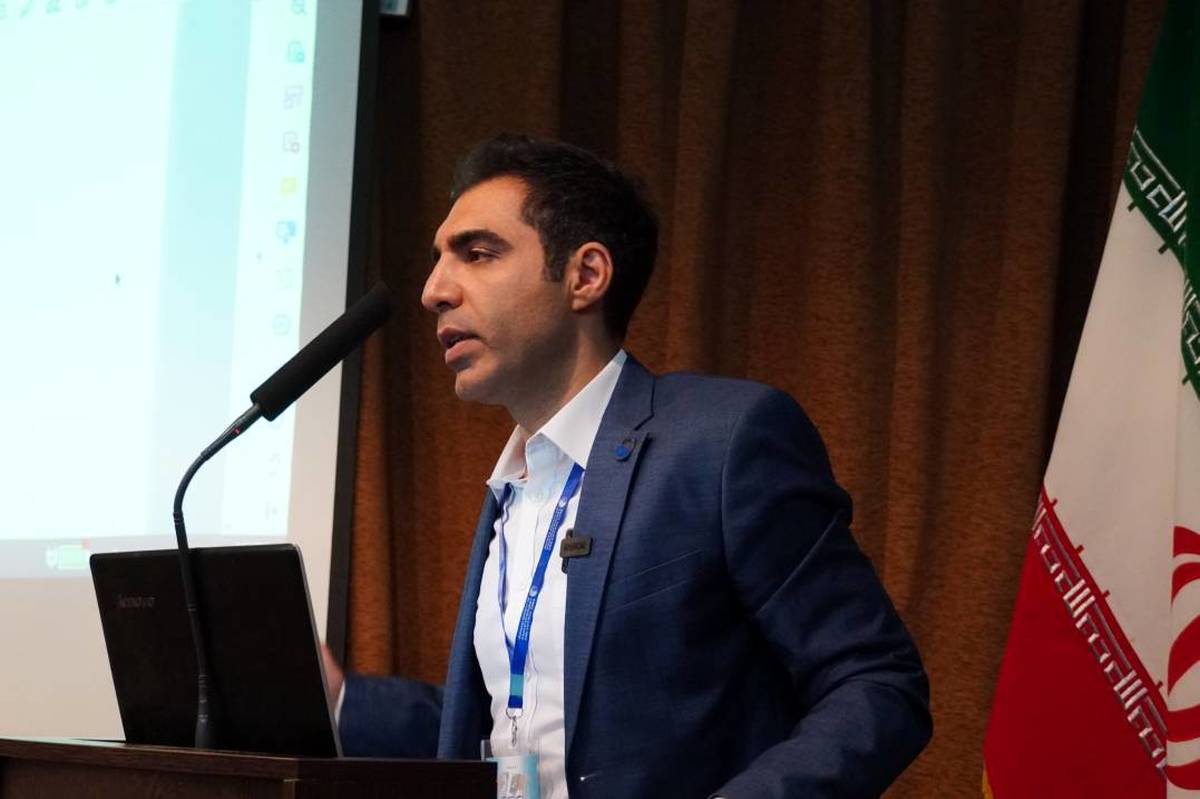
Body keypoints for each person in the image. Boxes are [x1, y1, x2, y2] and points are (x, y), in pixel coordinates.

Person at [324, 133, 931, 798]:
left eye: (477, 253)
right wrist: (344, 700)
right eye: (438, 259)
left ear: (586, 275)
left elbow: (877, 682)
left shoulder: (722, 443)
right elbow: (532, 733)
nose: (433, 291)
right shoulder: (513, 488)